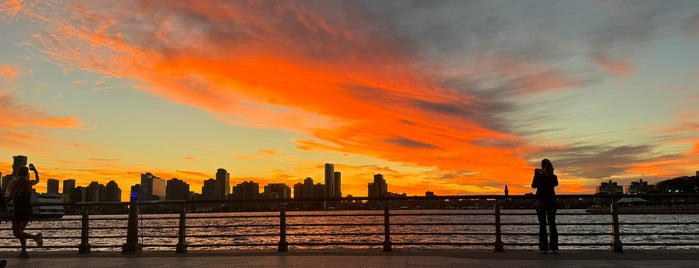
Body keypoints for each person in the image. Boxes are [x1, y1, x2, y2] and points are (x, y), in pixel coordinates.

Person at [6, 163, 43, 258]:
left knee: (16, 233)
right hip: (28, 210)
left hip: (19, 210)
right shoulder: (29, 183)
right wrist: (35, 170)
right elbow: (38, 180)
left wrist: (3, 202)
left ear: (18, 173)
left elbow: (10, 198)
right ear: (27, 174)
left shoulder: (16, 184)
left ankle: (35, 237)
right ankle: (24, 252)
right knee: (21, 232)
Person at [531, 158, 558, 254]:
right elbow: (556, 184)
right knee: (552, 224)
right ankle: (554, 247)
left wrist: (536, 175)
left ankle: (543, 247)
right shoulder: (553, 176)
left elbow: (533, 186)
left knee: (542, 225)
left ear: (542, 167)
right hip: (551, 202)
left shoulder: (539, 176)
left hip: (540, 202)